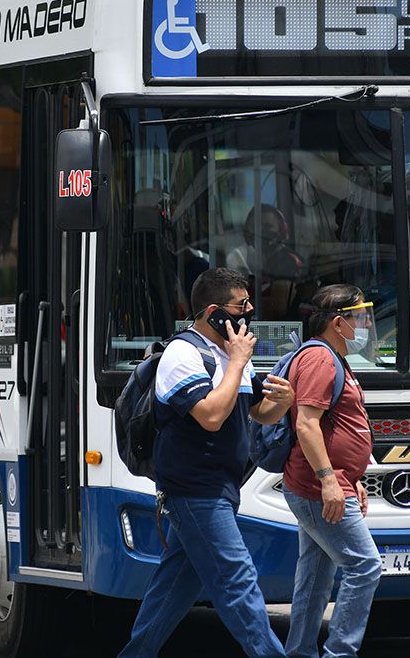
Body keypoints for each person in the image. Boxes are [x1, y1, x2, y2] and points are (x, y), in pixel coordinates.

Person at [119, 268, 296, 658]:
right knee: (238, 583)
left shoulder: (233, 354)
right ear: (215, 312)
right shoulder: (183, 354)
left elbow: (254, 412)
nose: (250, 311)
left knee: (171, 592)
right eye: (242, 305)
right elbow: (211, 416)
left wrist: (280, 403)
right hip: (194, 490)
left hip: (221, 487)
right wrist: (236, 362)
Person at [282, 285, 380, 658]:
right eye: (361, 316)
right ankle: (340, 653)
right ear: (339, 322)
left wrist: (352, 479)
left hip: (329, 484)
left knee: (315, 577)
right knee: (365, 567)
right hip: (316, 486)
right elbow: (307, 424)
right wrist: (329, 481)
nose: (367, 324)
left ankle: (300, 653)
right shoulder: (321, 360)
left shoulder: (334, 359)